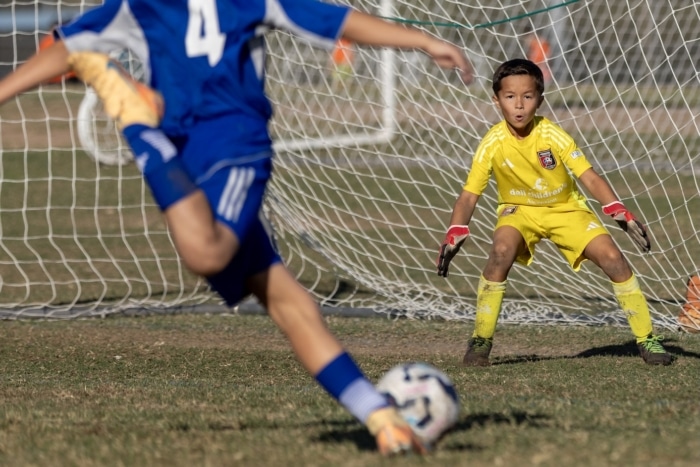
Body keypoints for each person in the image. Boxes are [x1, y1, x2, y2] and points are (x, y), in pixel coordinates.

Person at [0, 0, 473, 456]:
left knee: (212, 257)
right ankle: (382, 419)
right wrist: (420, 41)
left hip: (221, 149)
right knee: (285, 300)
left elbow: (67, 49)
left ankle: (134, 121)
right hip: (204, 148)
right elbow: (336, 20)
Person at [436, 58, 673, 367]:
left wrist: (617, 209)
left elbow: (588, 176)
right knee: (501, 250)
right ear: (497, 100)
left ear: (540, 99)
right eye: (510, 97)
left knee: (614, 258)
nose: (519, 105)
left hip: (566, 210)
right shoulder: (492, 142)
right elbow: (469, 195)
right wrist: (456, 229)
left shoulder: (553, 136)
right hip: (517, 211)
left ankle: (647, 339)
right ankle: (480, 341)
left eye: (528, 96)